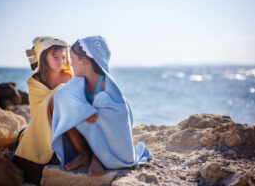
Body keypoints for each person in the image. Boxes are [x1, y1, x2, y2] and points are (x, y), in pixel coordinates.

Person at [51, 36, 153, 177]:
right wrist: (84, 110)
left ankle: (98, 158)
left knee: (101, 102)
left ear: (84, 61)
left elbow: (119, 116)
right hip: (89, 136)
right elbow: (62, 97)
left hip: (109, 138)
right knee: (66, 104)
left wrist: (96, 110)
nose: (70, 66)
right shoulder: (80, 81)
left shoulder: (106, 85)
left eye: (72, 61)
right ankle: (83, 154)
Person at [12, 36, 73, 184]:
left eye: (63, 57)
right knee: (59, 92)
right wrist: (57, 93)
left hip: (66, 121)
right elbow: (37, 109)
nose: (61, 61)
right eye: (55, 57)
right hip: (44, 121)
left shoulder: (68, 77)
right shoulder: (35, 82)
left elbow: (75, 103)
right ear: (44, 58)